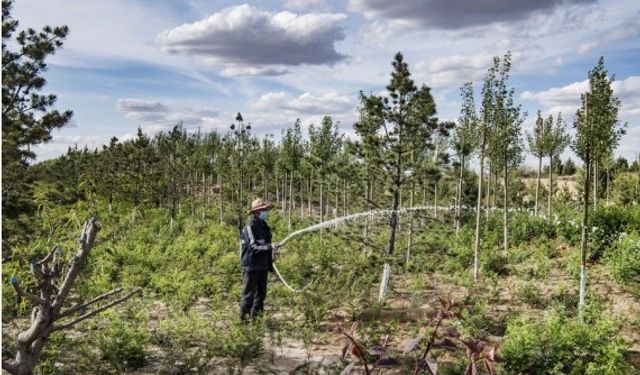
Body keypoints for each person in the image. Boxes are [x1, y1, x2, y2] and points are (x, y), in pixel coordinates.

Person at [240, 198, 280, 321]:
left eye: (266, 210)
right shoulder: (249, 227)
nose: (266, 212)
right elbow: (253, 247)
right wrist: (269, 247)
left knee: (261, 295)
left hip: (263, 265)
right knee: (248, 296)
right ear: (256, 212)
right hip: (251, 266)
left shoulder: (265, 226)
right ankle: (244, 323)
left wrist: (271, 255)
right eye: (264, 210)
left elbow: (267, 244)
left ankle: (256, 321)